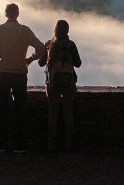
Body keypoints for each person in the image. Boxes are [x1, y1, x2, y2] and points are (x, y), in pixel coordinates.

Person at [0, 3, 45, 152]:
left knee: (2, 109)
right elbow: (41, 48)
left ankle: (1, 143)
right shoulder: (24, 31)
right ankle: (20, 144)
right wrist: (30, 59)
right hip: (20, 73)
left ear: (5, 14)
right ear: (17, 14)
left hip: (3, 73)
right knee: (20, 109)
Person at [38, 19, 82, 152]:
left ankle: (52, 144)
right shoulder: (71, 44)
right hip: (69, 84)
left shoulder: (49, 44)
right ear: (67, 31)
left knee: (53, 113)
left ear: (55, 30)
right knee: (68, 113)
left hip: (52, 84)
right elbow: (78, 63)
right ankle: (69, 144)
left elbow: (41, 63)